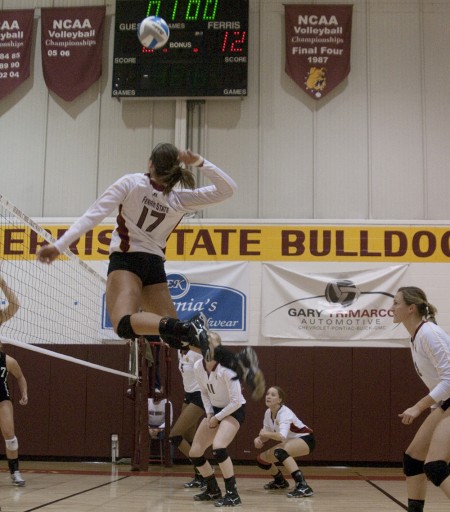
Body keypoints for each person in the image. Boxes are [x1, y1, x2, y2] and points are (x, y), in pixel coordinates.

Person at [36, 144, 264, 399]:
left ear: (150, 164)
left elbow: (94, 215)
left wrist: (59, 246)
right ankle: (237, 362)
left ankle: (191, 328)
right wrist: (200, 161)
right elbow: (228, 189)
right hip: (154, 266)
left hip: (127, 262)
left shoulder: (131, 183)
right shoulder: (180, 199)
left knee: (124, 325)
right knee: (176, 336)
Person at [391, 286, 450, 512]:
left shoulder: (429, 334)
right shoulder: (416, 336)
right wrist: (434, 406)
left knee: (435, 466)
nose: (392, 308)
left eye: (396, 303)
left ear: (411, 308)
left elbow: (449, 379)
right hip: (445, 402)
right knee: (414, 461)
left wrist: (418, 407)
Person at [189, 332, 246, 507]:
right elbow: (204, 392)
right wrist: (209, 414)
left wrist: (218, 417)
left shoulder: (227, 369)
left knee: (219, 447)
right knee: (195, 452)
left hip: (233, 410)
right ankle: (213, 489)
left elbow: (236, 401)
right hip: (214, 411)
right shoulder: (198, 366)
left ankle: (233, 494)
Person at [254, 385, 315, 498]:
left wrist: (265, 434)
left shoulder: (285, 413)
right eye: (267, 394)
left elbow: (281, 436)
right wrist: (259, 440)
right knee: (261, 460)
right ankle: (280, 481)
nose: (268, 396)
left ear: (280, 400)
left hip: (306, 439)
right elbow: (266, 434)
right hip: (291, 441)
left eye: (273, 395)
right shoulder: (268, 413)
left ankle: (303, 486)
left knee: (279, 451)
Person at [0, 276, 28, 486]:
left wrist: (3, 285)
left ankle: (15, 473)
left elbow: (15, 305)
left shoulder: (7, 360)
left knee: (10, 435)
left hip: (1, 396)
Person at [168, 348, 207, 488]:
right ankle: (199, 477)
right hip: (188, 395)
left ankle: (206, 470)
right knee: (189, 438)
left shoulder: (197, 352)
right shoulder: (179, 351)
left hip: (199, 396)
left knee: (175, 436)